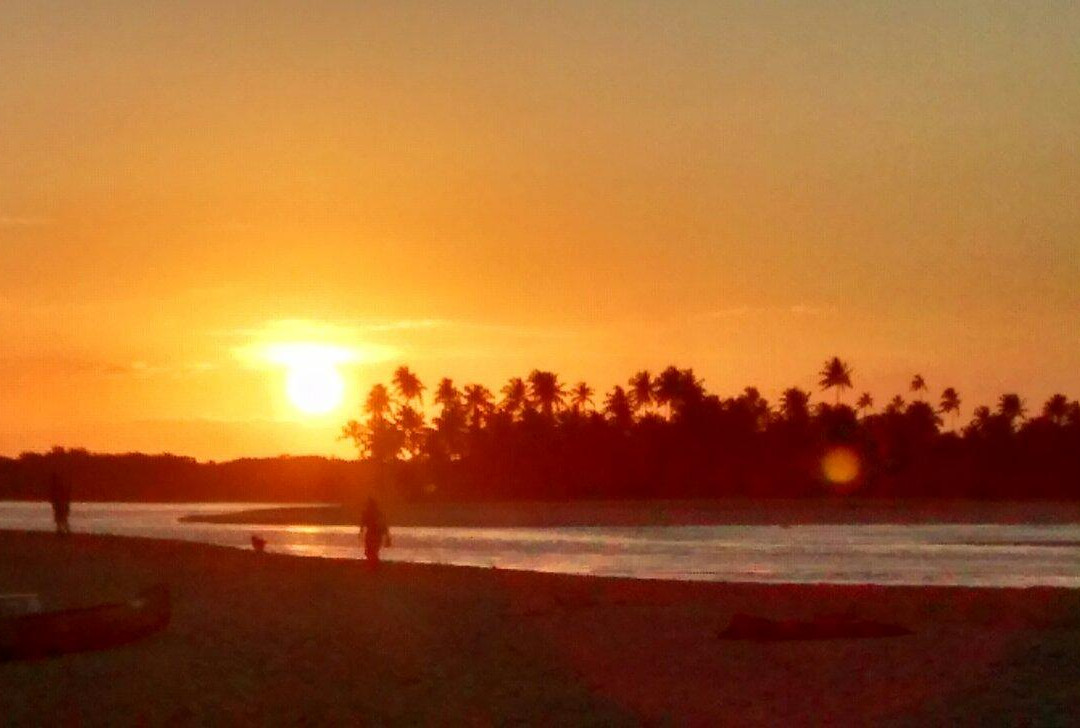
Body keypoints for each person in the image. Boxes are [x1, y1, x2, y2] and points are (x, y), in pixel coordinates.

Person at [359, 498, 390, 567]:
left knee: (371, 551)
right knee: (371, 551)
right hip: (375, 534)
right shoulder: (374, 513)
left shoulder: (371, 513)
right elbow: (384, 525)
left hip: (374, 534)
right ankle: (374, 565)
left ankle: (374, 566)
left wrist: (361, 532)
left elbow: (383, 525)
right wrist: (387, 536)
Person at [48, 470, 72, 536]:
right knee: (62, 517)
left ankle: (62, 530)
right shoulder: (59, 486)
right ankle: (63, 530)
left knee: (60, 517)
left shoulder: (56, 487)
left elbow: (54, 496)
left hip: (60, 503)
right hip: (61, 503)